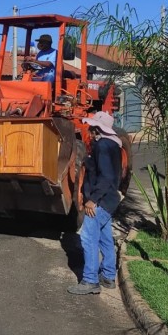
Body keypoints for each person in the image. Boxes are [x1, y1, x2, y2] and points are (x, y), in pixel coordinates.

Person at [67, 111, 123, 295]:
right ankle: (107, 275)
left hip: (100, 201)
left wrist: (92, 200)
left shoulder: (103, 146)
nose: (89, 132)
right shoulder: (112, 145)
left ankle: (90, 280)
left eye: (91, 128)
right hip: (109, 200)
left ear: (98, 130)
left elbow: (106, 177)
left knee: (88, 237)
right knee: (105, 238)